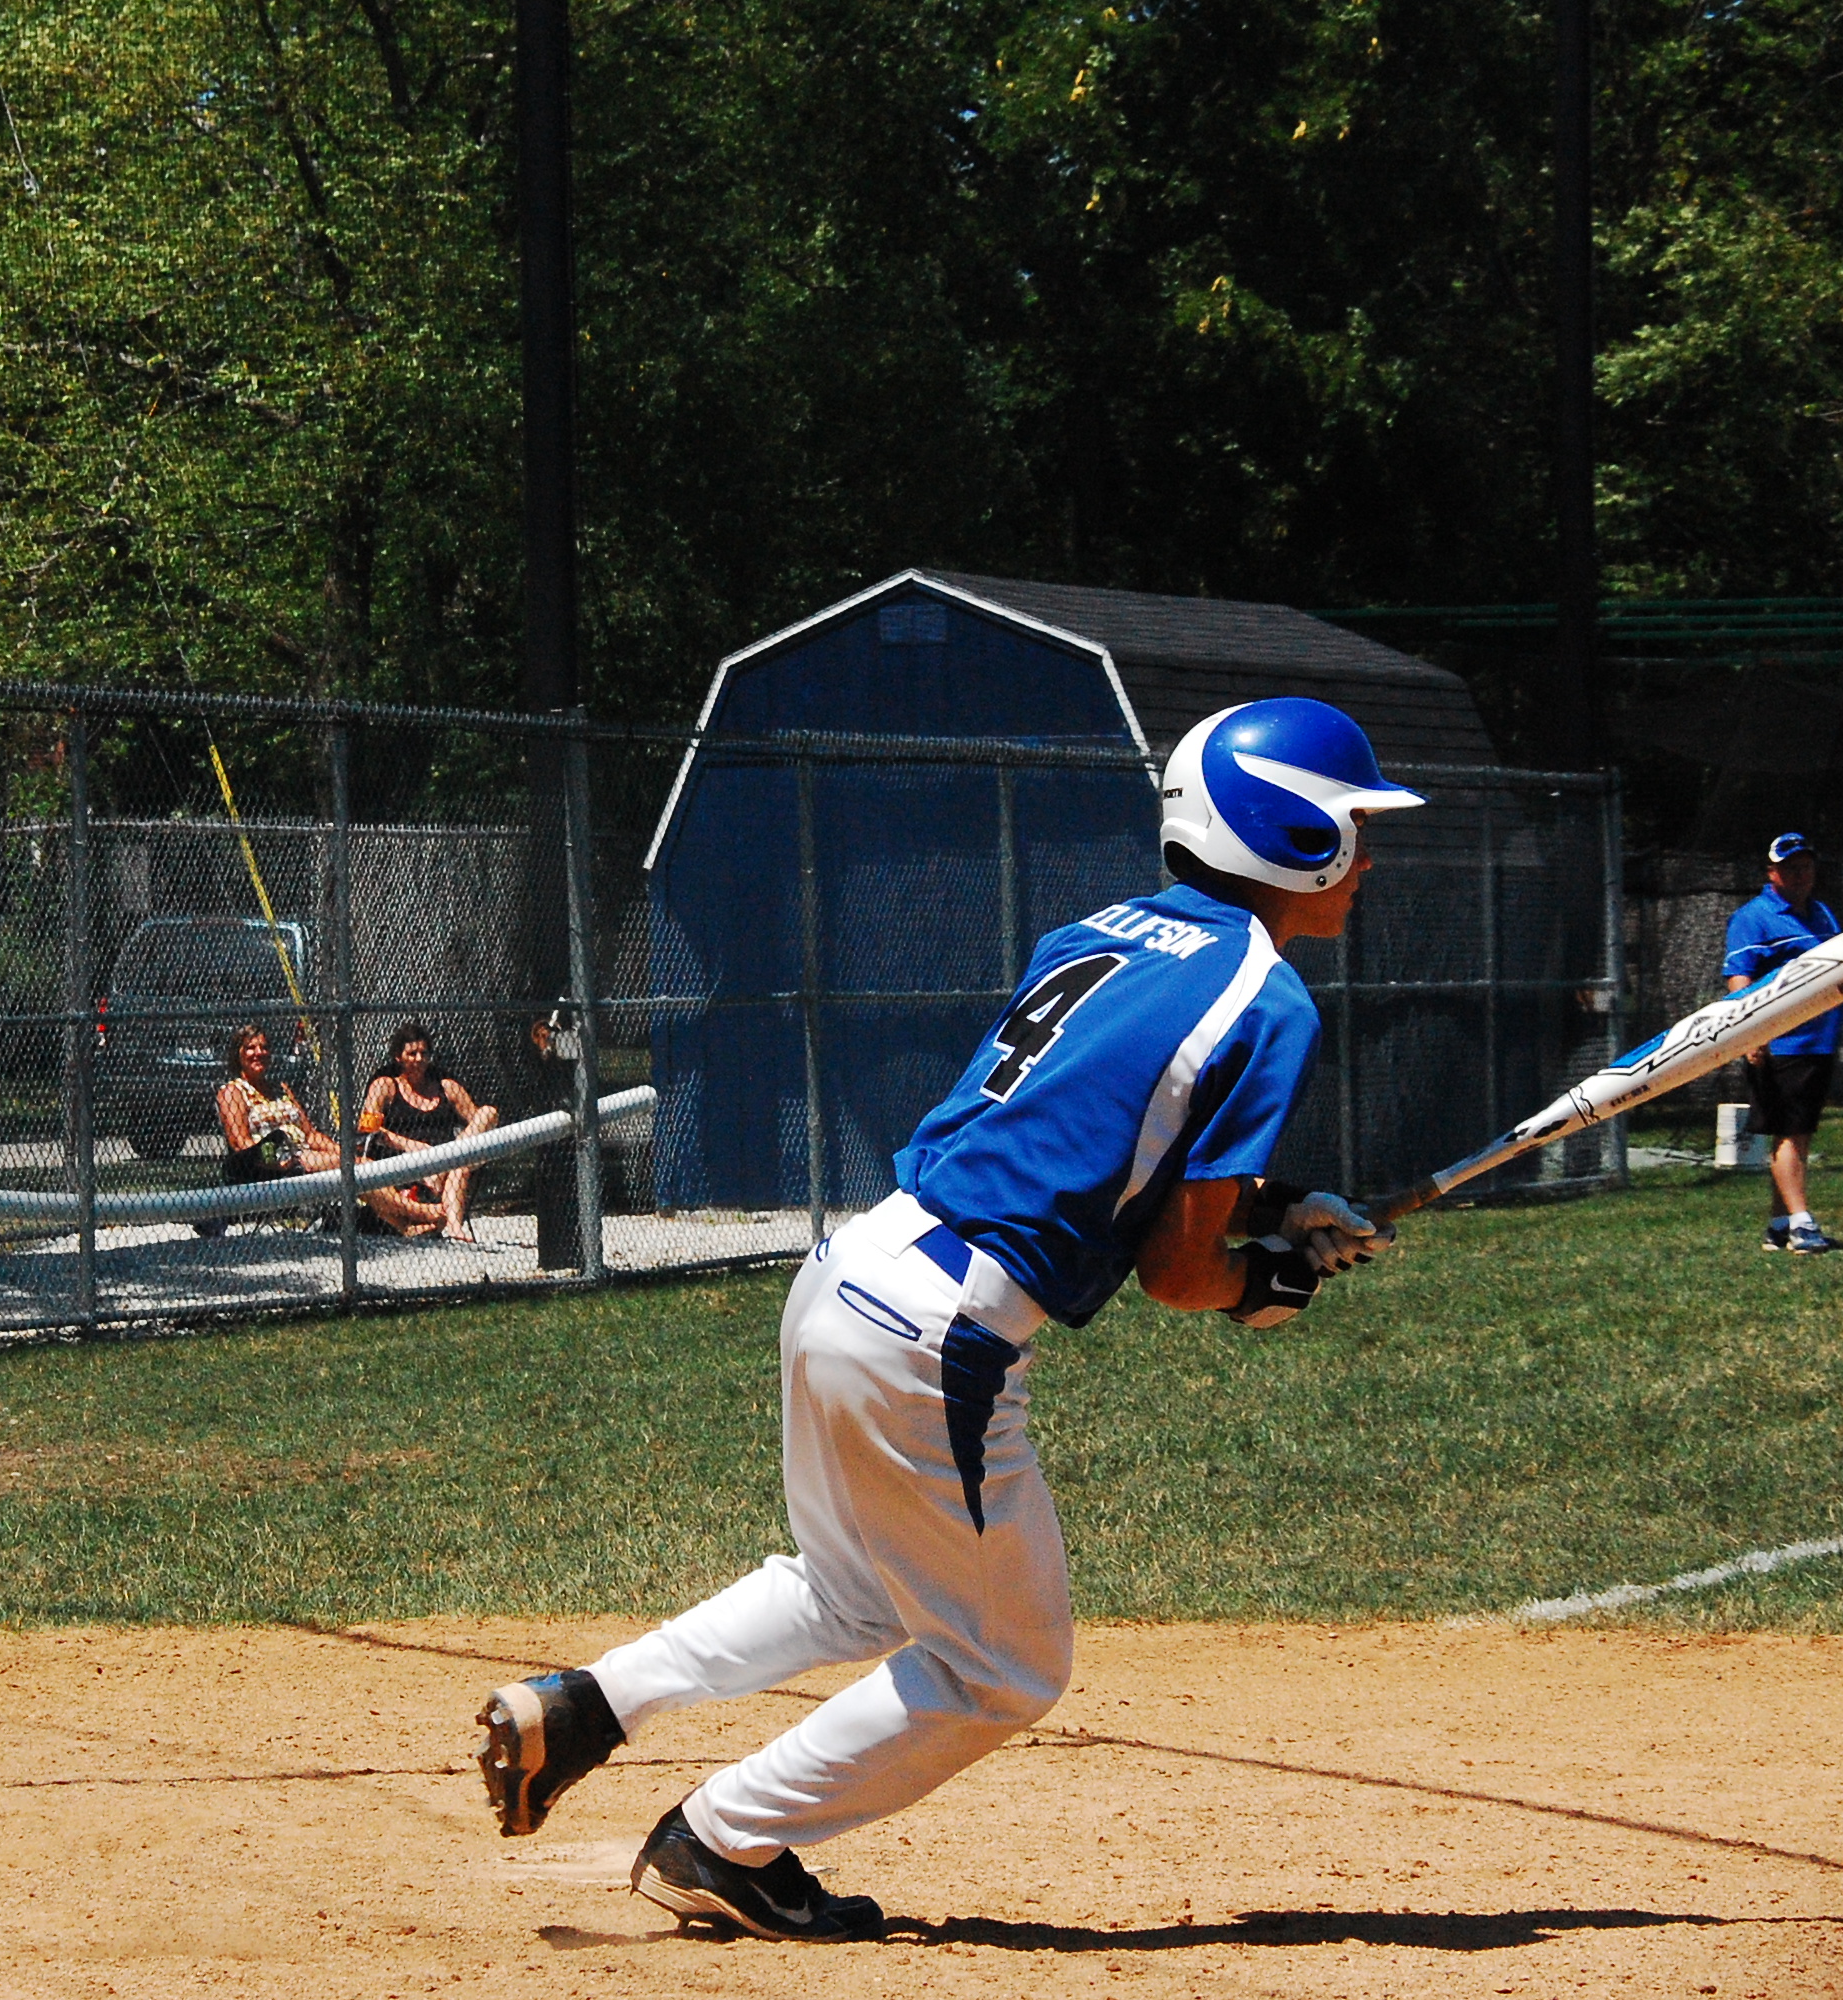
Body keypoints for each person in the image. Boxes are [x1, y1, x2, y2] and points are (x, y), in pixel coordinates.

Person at [472, 699, 1417, 1941]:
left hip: (851, 1269)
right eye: (1352, 825)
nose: (1366, 854)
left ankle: (585, 1705)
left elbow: (1086, 1141)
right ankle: (724, 1834)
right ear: (1291, 834)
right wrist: (1264, 1283)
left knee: (852, 1591)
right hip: (941, 1330)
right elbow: (1177, 1271)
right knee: (1002, 1665)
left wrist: (1278, 1206)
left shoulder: (1102, 932)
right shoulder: (1269, 997)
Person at [1721, 832, 1843, 1254]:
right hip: (1781, 1045)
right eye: (1790, 868)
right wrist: (1750, 1033)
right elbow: (1739, 979)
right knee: (1790, 1133)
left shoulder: (1821, 914)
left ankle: (1780, 1225)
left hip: (1818, 1041)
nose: (1800, 875)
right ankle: (1802, 1224)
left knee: (1798, 1133)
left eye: (1806, 867)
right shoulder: (1752, 918)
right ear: (1771, 873)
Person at [358, 1024, 498, 1244]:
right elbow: (367, 1127)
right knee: (459, 1166)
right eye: (412, 1054)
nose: (419, 1059)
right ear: (398, 1057)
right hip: (404, 1163)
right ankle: (453, 1222)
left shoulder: (446, 1087)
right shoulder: (385, 1086)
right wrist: (412, 1146)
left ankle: (453, 1225)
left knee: (488, 1114)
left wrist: (447, 1156)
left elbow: (478, 1123)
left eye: (424, 1053)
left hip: (446, 1161)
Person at [198, 1027, 343, 1239]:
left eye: (264, 1047)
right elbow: (241, 1144)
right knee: (356, 1167)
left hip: (304, 1154)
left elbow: (310, 1135)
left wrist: (343, 1150)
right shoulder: (233, 1092)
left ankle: (391, 1219)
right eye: (250, 1047)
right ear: (237, 1054)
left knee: (357, 1161)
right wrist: (275, 1163)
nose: (259, 1052)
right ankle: (393, 1217)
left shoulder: (281, 1089)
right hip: (274, 1167)